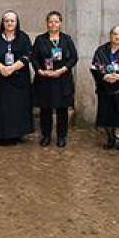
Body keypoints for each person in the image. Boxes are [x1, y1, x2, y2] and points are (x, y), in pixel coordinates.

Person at [0, 11, 34, 145]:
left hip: (18, 79)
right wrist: (1, 67)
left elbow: (27, 55)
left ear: (16, 22)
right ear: (2, 22)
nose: (9, 23)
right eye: (7, 21)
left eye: (12, 21)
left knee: (16, 107)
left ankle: (15, 134)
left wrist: (12, 68)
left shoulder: (23, 37)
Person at [31, 11, 77, 148]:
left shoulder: (67, 39)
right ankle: (46, 136)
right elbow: (34, 57)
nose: (53, 24)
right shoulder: (40, 39)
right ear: (47, 23)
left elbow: (74, 58)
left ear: (60, 23)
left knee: (62, 110)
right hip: (44, 79)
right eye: (50, 21)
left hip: (62, 79)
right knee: (45, 110)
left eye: (56, 21)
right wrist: (39, 70)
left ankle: (61, 137)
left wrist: (62, 70)